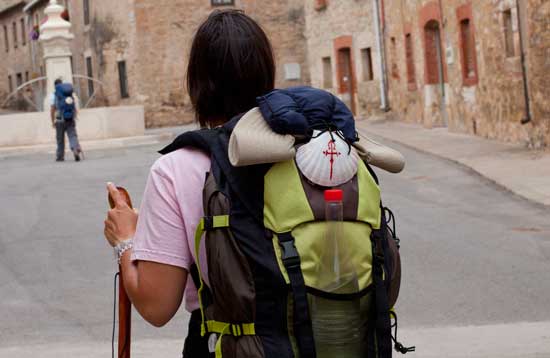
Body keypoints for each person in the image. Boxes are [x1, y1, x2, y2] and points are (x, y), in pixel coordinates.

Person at [103, 10, 275, 357]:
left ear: (197, 83)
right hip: (328, 338)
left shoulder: (177, 169)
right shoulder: (315, 149)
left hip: (229, 344)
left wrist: (126, 241)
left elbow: (156, 307)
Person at [50, 78, 83, 162]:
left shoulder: (54, 95)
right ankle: (75, 149)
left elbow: (52, 108)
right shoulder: (68, 93)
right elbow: (73, 105)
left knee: (60, 139)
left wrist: (52, 120)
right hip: (70, 118)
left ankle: (60, 156)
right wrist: (74, 115)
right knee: (72, 135)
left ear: (55, 86)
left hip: (59, 119)